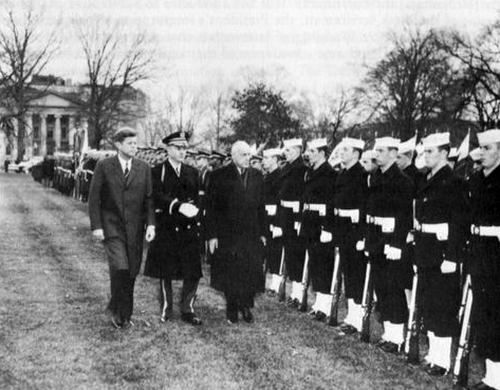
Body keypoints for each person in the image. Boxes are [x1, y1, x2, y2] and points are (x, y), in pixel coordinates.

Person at [413, 132, 469, 376]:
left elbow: (458, 222)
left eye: (430, 151)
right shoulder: (428, 179)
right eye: (424, 151)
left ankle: (443, 360)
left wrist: (452, 257)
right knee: (428, 303)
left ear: (445, 153)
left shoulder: (454, 182)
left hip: (442, 252)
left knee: (442, 305)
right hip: (426, 248)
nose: (425, 155)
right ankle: (433, 354)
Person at [88, 127, 155, 329]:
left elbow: (149, 200)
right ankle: (118, 312)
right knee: (121, 267)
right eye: (130, 143)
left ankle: (124, 312)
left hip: (135, 229)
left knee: (132, 271)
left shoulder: (144, 168)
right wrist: (97, 226)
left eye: (136, 143)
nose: (135, 147)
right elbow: (94, 198)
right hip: (112, 228)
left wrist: (151, 224)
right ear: (118, 145)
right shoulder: (104, 166)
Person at [144, 132, 203, 325]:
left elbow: (198, 196)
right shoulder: (157, 171)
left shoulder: (192, 172)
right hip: (168, 227)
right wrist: (178, 206)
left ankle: (188, 308)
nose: (182, 152)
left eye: (184, 148)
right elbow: (156, 196)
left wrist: (195, 208)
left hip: (188, 229)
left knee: (193, 271)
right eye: (178, 148)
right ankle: (166, 308)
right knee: (165, 271)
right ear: (168, 149)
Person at [206, 141, 266, 324]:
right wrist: (212, 235)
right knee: (231, 272)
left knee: (250, 270)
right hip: (228, 234)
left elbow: (261, 207)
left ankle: (246, 305)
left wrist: (263, 232)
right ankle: (232, 306)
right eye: (244, 155)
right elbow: (211, 208)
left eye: (249, 155)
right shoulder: (219, 176)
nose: (248, 158)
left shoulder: (256, 175)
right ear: (233, 156)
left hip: (251, 233)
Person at [365, 137, 413, 353]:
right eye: (376, 150)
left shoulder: (402, 181)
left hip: (392, 239)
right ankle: (388, 332)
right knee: (381, 286)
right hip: (376, 237)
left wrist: (397, 243)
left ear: (394, 153)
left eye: (382, 151)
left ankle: (397, 335)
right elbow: (370, 211)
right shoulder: (375, 177)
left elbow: (404, 216)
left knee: (393, 287)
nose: (377, 154)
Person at [468, 129, 500, 390]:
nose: (483, 153)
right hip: (479, 251)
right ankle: (491, 375)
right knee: (483, 312)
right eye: (482, 148)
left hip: (497, 253)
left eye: (488, 148)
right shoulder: (476, 179)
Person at [300, 138, 337, 319]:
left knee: (324, 264)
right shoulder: (310, 172)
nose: (309, 154)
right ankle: (319, 303)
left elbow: (331, 202)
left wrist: (327, 227)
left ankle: (325, 305)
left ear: (322, 153)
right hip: (309, 221)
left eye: (313, 151)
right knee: (315, 263)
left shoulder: (329, 173)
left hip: (321, 222)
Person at [334, 137, 368, 333]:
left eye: (345, 150)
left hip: (355, 232)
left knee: (356, 275)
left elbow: (364, 207)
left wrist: (362, 236)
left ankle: (356, 319)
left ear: (356, 153)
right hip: (343, 229)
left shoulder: (361, 175)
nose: (341, 152)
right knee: (348, 273)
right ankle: (351, 315)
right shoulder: (343, 174)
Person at [274, 138, 307, 307]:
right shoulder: (286, 168)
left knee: (297, 254)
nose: (285, 153)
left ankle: (299, 294)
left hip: (295, 216)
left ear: (297, 150)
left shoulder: (302, 169)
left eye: (288, 150)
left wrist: (299, 219)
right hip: (286, 214)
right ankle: (294, 292)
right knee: (289, 254)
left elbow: (302, 196)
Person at [262, 147, 284, 295]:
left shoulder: (280, 176)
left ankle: (276, 284)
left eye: (267, 158)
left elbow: (280, 201)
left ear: (275, 160)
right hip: (266, 216)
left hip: (275, 216)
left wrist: (278, 223)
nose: (264, 161)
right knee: (267, 249)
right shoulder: (267, 176)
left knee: (276, 251)